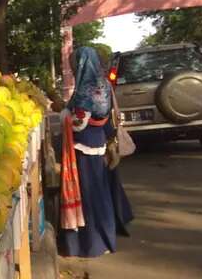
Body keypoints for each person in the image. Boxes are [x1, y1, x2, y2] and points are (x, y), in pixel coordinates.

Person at [58, 46, 132, 258]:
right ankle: (107, 238)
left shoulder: (84, 91)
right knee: (101, 193)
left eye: (74, 65)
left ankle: (93, 244)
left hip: (84, 148)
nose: (73, 69)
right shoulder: (104, 85)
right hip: (100, 143)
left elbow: (78, 124)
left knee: (89, 197)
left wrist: (63, 114)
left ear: (82, 64)